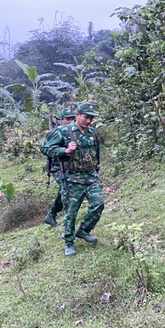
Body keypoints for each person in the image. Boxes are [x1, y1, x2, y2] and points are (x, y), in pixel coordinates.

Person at [40, 102, 104, 256]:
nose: (88, 121)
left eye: (91, 118)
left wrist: (96, 168)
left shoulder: (92, 133)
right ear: (77, 115)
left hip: (90, 176)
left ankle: (83, 230)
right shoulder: (62, 131)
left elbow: (96, 153)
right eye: (86, 117)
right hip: (72, 178)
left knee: (98, 204)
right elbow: (45, 148)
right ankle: (69, 242)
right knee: (71, 211)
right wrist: (65, 150)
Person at [42, 106, 76, 227]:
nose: (71, 121)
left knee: (65, 189)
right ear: (61, 120)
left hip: (73, 166)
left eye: (73, 118)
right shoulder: (56, 132)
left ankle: (51, 214)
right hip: (58, 166)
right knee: (66, 189)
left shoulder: (76, 131)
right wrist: (64, 150)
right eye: (67, 119)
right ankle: (67, 222)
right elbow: (45, 149)